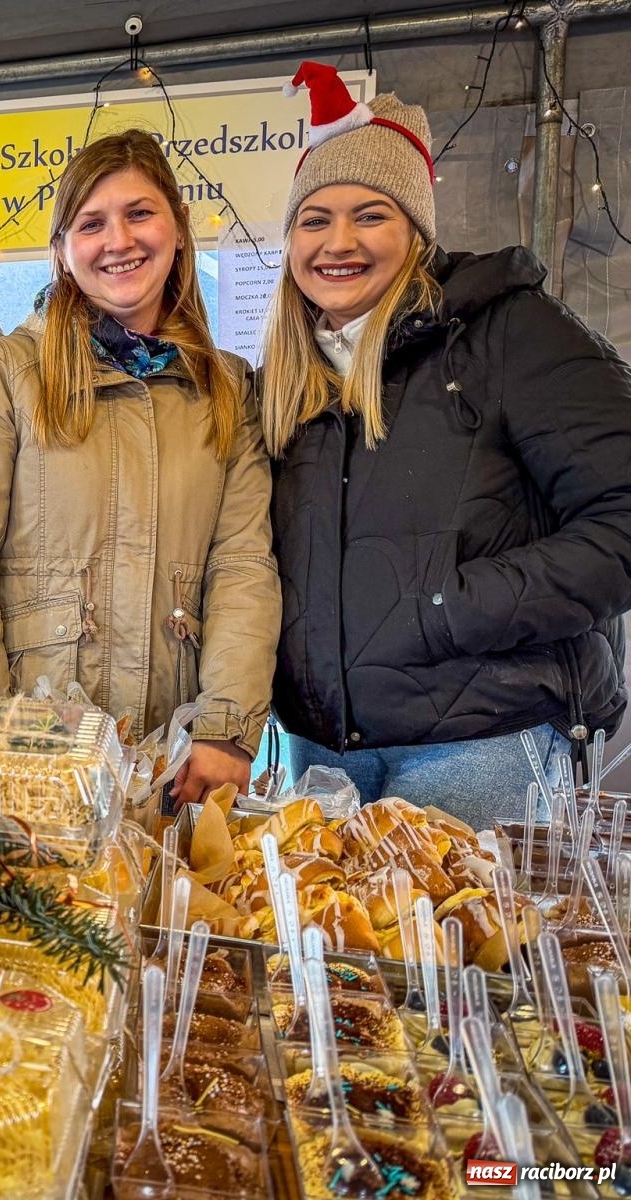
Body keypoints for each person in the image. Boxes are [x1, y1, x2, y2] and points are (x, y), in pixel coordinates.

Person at [264, 62, 631, 822]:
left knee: (465, 940)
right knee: (322, 943)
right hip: (321, 751)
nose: (339, 242)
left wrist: (452, 605)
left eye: (371, 215)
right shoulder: (287, 382)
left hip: (482, 739)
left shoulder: (510, 333)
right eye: (314, 219)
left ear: (418, 229)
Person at [0, 130, 279, 805]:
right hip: (30, 746)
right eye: (92, 223)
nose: (119, 240)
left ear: (176, 227)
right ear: (62, 250)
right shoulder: (9, 372)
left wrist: (227, 724)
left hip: (171, 753)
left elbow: (243, 566)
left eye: (140, 213)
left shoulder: (228, 390)